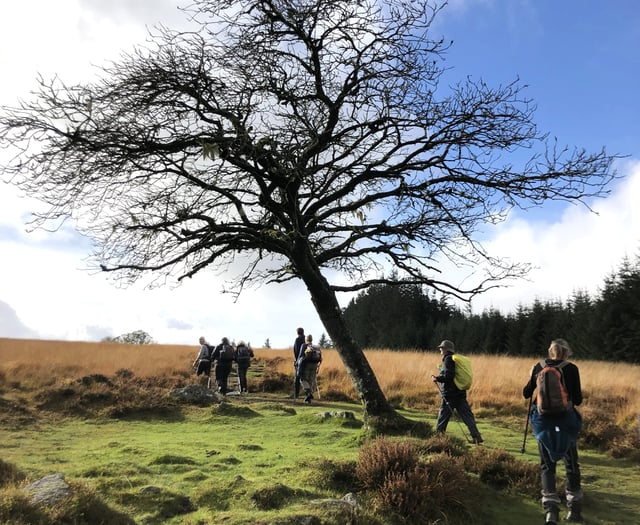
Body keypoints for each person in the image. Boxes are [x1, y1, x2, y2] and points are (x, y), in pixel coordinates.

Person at [523, 339, 583, 524]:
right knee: (571, 464)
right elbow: (578, 400)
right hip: (565, 422)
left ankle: (551, 512)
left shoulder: (538, 366)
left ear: (551, 351)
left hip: (543, 422)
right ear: (566, 352)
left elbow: (526, 393)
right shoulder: (571, 368)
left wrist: (533, 377)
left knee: (547, 466)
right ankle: (574, 511)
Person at [431, 339, 483, 444]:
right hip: (460, 393)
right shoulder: (456, 359)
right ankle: (476, 437)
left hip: (449, 394)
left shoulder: (447, 359)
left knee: (443, 416)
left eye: (441, 348)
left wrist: (437, 378)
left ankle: (438, 438)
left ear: (445, 349)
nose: (440, 349)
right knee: (467, 416)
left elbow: (449, 376)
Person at [295, 334, 322, 404]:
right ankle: (308, 399)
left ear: (306, 339)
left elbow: (300, 355)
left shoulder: (304, 345)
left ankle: (309, 393)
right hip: (315, 365)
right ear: (312, 339)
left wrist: (297, 363)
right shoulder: (316, 347)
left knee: (303, 379)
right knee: (311, 380)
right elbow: (320, 357)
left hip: (307, 364)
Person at [292, 327, 305, 399]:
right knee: (305, 378)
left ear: (297, 332)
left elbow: (296, 351)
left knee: (297, 378)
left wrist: (296, 360)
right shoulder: (306, 339)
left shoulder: (298, 339)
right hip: (307, 360)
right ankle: (308, 393)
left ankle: (296, 394)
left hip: (299, 361)